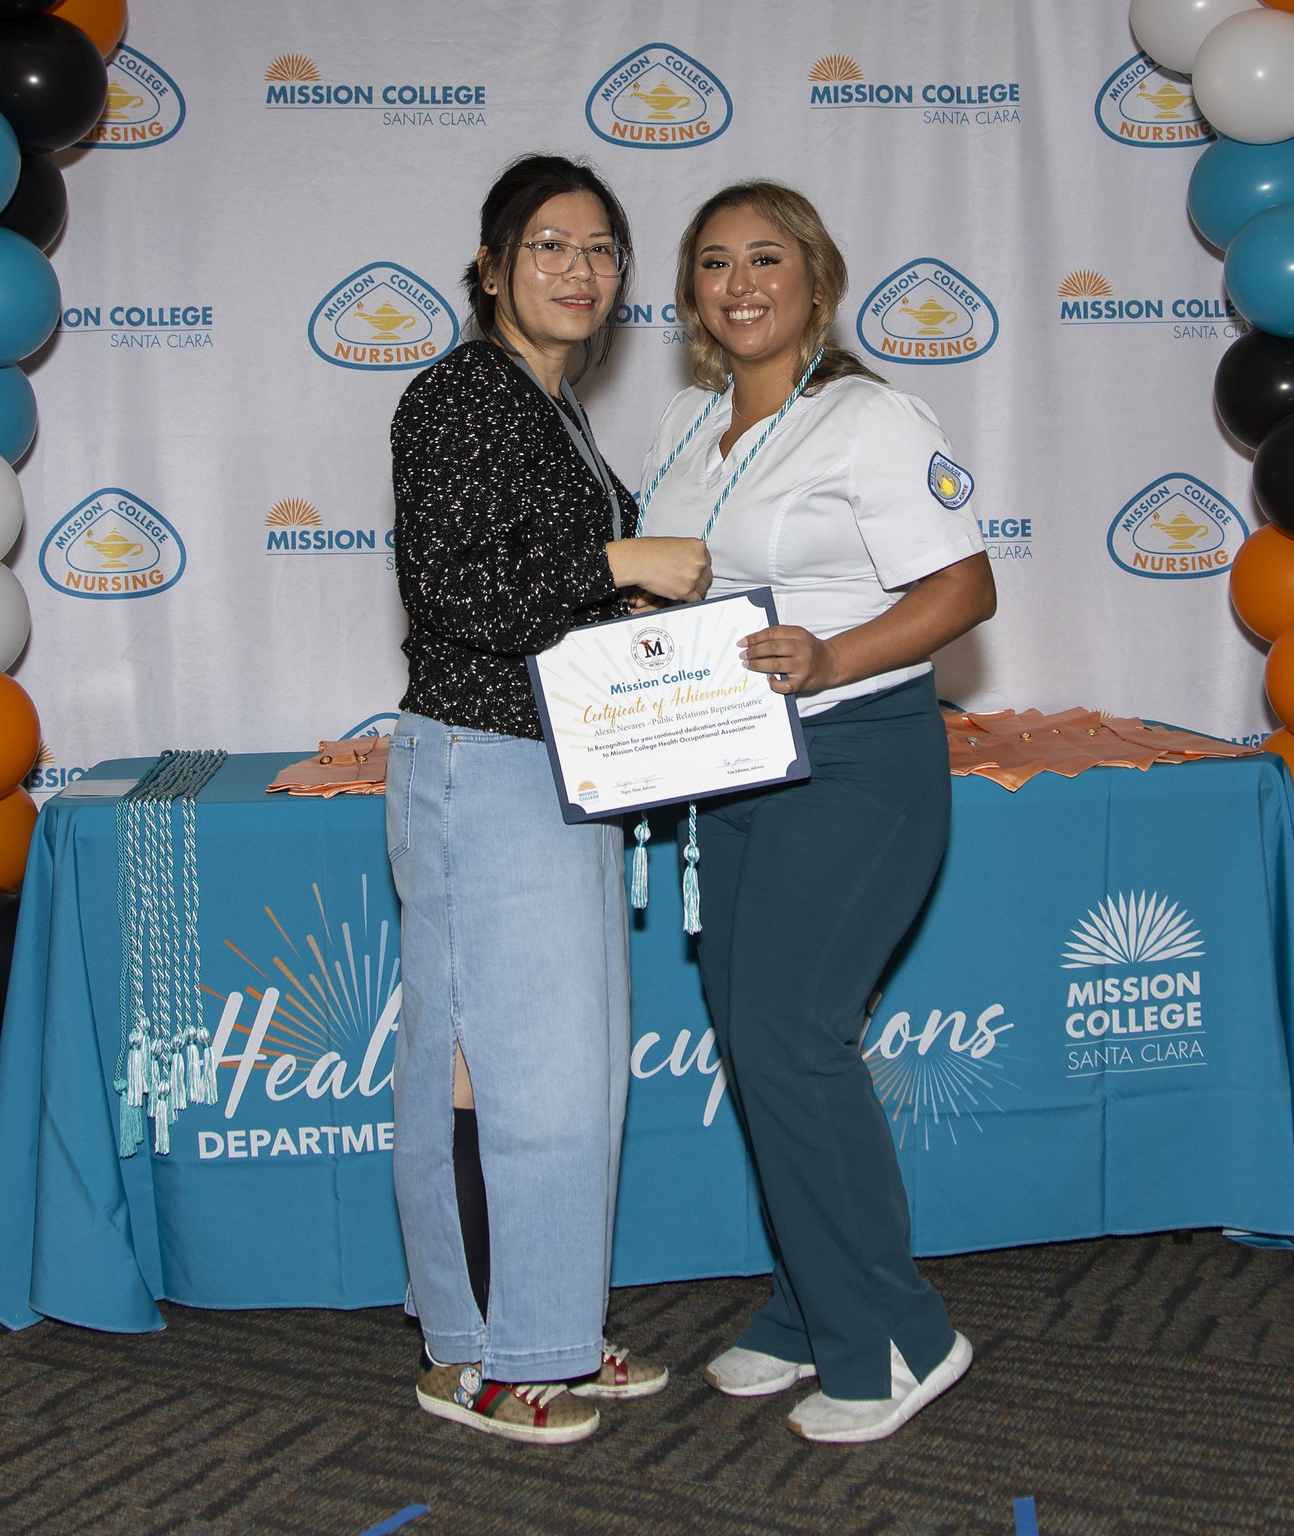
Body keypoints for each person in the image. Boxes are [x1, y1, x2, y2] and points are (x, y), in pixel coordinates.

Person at [634, 181, 997, 1444]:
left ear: (817, 281)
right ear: (689, 295)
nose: (739, 284)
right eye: (713, 263)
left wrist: (833, 656)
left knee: (791, 1035)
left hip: (853, 758)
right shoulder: (684, 424)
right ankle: (806, 1309)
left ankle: (898, 1335)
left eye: (765, 258)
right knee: (752, 1040)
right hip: (727, 765)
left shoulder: (869, 416)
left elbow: (964, 587)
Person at [385, 155, 711, 1445]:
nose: (579, 271)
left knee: (563, 1069)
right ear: (490, 267)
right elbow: (458, 590)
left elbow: (559, 591)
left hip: (562, 762)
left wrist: (634, 598)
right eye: (548, 246)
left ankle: (551, 1326)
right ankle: (473, 1353)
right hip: (482, 761)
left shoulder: (550, 405)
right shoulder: (454, 394)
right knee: (486, 1064)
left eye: (601, 250)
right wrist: (619, 557)